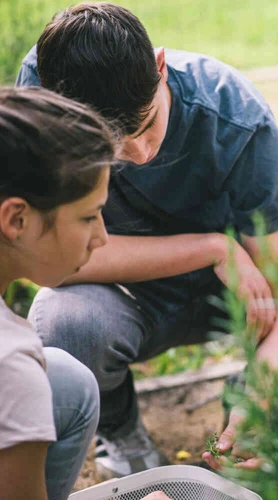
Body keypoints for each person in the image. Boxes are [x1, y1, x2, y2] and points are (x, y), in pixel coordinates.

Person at [16, 1, 278, 479]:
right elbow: (49, 261)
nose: (139, 153)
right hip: (126, 294)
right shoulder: (44, 91)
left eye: (147, 124)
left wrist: (257, 398)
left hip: (247, 284)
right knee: (60, 320)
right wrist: (212, 248)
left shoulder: (230, 109)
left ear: (160, 67)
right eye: (111, 145)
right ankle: (121, 434)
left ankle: (275, 401)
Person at [0, 86, 171, 500]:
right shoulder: (11, 367)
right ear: (17, 219)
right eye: (89, 217)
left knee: (64, 380)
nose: (102, 238)